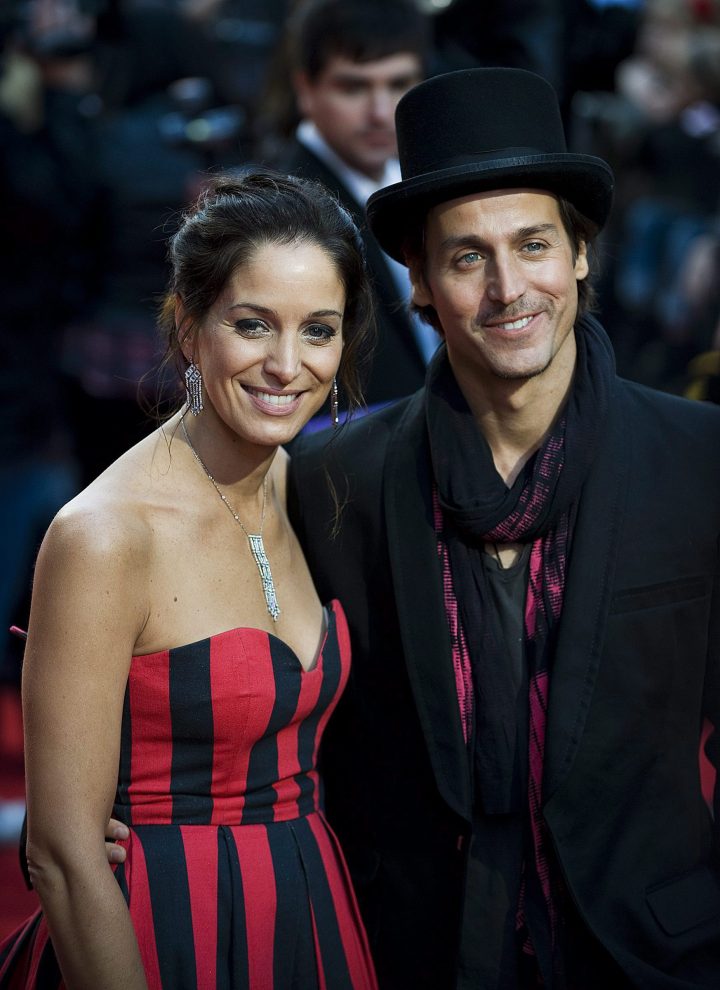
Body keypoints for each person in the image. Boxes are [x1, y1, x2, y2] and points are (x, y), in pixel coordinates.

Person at [284, 68, 720, 988]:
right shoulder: (336, 481)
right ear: (423, 285)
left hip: (658, 952)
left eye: (533, 244)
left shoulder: (698, 458)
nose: (509, 287)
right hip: (423, 953)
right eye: (468, 256)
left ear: (582, 254)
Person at [0, 170, 378, 989]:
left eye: (319, 330)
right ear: (188, 326)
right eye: (253, 324)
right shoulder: (104, 535)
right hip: (158, 931)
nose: (287, 365)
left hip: (308, 917)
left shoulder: (309, 484)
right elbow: (64, 857)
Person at [261, 0, 436, 411]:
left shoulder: (426, 176)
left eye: (398, 84)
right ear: (305, 90)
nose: (379, 112)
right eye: (353, 87)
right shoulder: (283, 208)